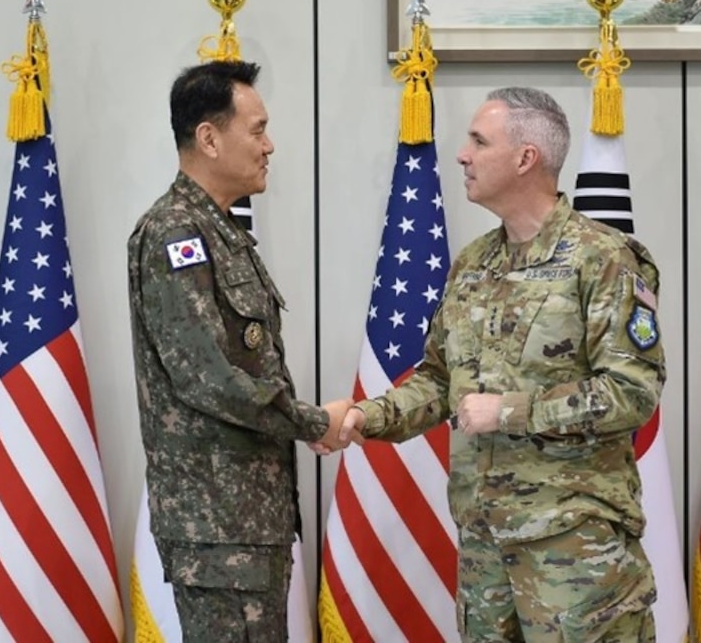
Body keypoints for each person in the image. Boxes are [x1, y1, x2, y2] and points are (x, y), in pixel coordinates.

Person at [335, 87, 666, 642]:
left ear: (525, 158)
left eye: (478, 141)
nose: (461, 155)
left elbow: (632, 391)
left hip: (573, 549)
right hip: (485, 546)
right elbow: (440, 382)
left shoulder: (604, 258)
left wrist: (510, 411)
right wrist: (364, 418)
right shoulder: (473, 264)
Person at [127, 60, 355, 642]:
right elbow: (208, 377)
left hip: (247, 521)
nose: (268, 145)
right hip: (217, 530)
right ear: (209, 137)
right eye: (256, 130)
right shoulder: (177, 234)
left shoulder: (221, 233)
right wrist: (310, 421)